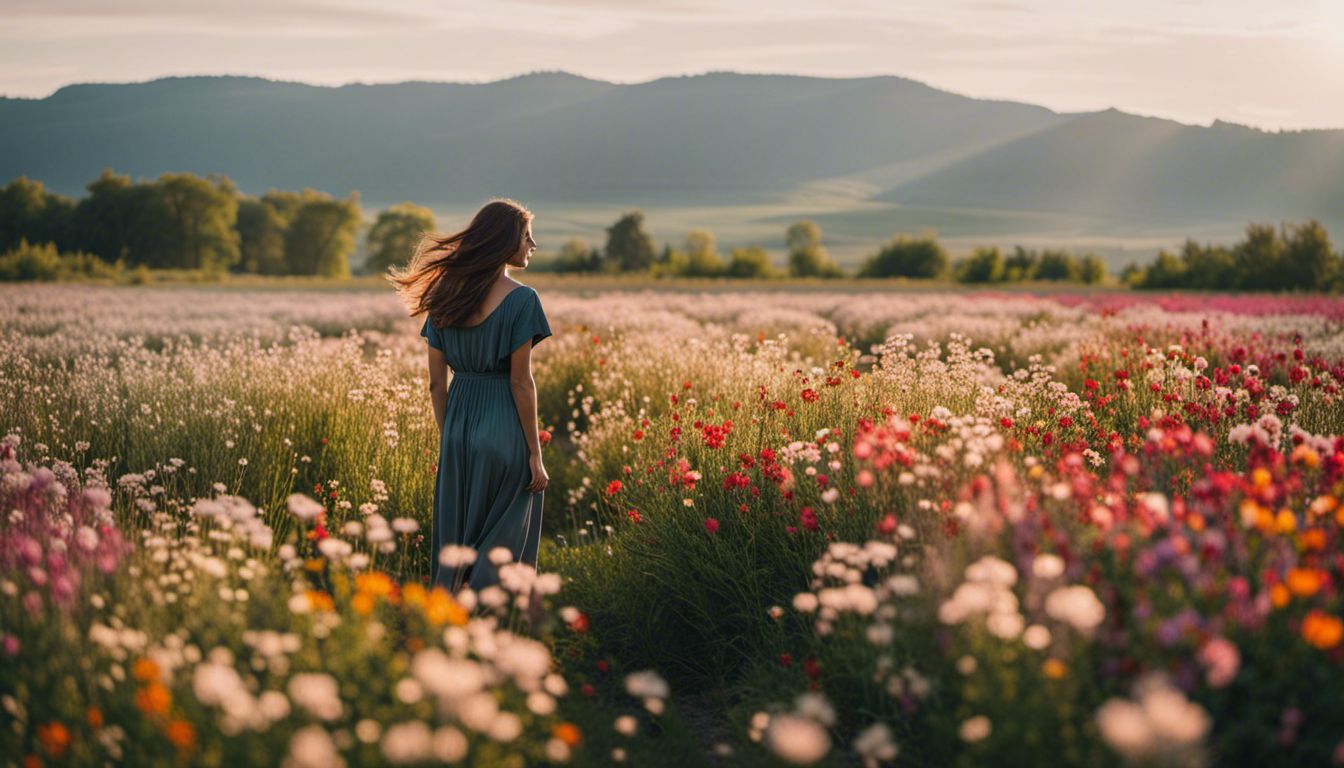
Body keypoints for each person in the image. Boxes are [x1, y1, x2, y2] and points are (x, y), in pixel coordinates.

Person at [387, 198, 552, 594]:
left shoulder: (444, 296)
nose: (533, 245)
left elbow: (435, 384)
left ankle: (448, 621)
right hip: (504, 429)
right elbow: (520, 382)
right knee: (504, 540)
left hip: (458, 427)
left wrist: (451, 438)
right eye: (527, 236)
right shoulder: (522, 299)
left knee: (458, 541)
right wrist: (534, 453)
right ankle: (489, 624)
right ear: (505, 241)